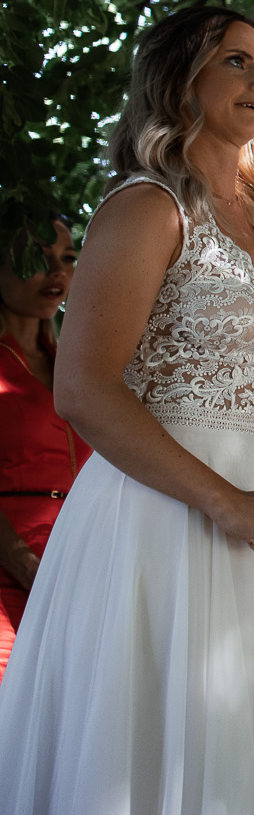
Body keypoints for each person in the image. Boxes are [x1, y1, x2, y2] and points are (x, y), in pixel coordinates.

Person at [0, 6, 254, 812]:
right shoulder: (145, 208)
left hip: (253, 520)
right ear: (181, 78)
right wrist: (224, 498)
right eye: (236, 61)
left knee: (234, 752)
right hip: (161, 518)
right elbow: (81, 388)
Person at [0, 209, 87, 688]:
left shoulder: (78, 366)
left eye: (68, 258)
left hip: (79, 564)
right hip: (11, 569)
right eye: (39, 256)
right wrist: (25, 564)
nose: (57, 271)